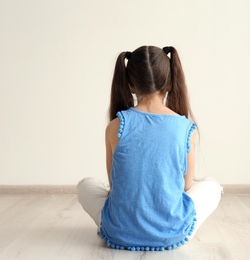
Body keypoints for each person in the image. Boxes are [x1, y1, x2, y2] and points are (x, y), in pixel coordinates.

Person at [77, 45, 223, 251]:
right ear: (169, 82)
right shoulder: (185, 128)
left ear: (130, 85)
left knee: (85, 185)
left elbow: (114, 183)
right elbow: (186, 186)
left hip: (119, 233)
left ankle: (126, 223)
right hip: (173, 233)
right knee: (212, 186)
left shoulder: (115, 126)